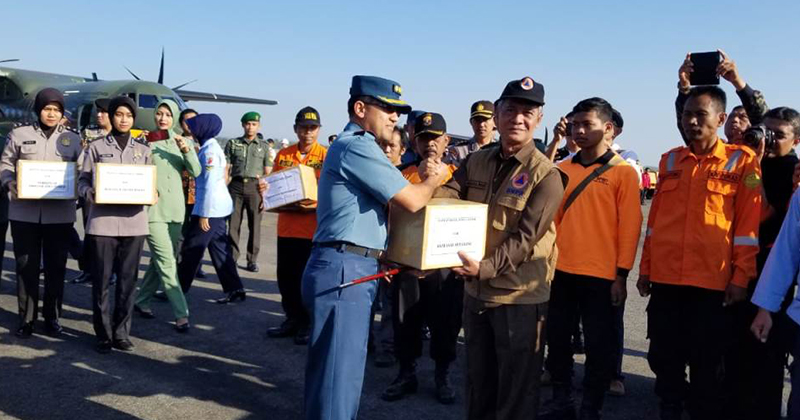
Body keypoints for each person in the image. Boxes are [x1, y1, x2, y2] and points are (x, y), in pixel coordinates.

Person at [301, 75, 448, 420]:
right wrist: (433, 179)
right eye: (387, 108)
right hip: (345, 269)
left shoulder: (353, 146)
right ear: (360, 108)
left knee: (331, 375)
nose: (395, 117)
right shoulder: (358, 146)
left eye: (398, 111)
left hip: (349, 265)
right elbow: (412, 199)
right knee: (339, 380)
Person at [434, 76, 568, 420]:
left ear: (539, 118)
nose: (518, 119)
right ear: (496, 114)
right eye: (510, 110)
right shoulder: (476, 161)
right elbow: (448, 196)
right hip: (476, 294)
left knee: (516, 393)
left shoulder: (546, 175)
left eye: (528, 112)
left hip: (518, 298)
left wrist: (485, 268)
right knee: (478, 385)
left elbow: (526, 238)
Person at [637, 85, 761, 420]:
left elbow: (748, 228)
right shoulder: (669, 160)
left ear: (720, 119)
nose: (691, 121)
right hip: (667, 278)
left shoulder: (743, 161)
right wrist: (646, 269)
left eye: (700, 115)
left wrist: (741, 277)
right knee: (663, 354)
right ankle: (670, 405)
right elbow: (655, 222)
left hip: (712, 282)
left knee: (706, 359)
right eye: (687, 114)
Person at [542, 98, 642, 419]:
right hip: (561, 272)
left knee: (599, 347)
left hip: (602, 277)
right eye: (575, 125)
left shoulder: (623, 173)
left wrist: (621, 275)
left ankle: (590, 407)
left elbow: (630, 228)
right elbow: (553, 221)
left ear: (608, 128)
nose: (580, 131)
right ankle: (561, 401)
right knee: (558, 341)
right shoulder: (562, 169)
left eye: (587, 124)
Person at [725, 107, 800, 420]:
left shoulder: (792, 171)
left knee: (766, 357)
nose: (769, 140)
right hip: (737, 270)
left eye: (778, 135)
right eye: (766, 132)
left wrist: (754, 167)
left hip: (772, 278)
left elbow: (764, 215)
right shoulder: (745, 160)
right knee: (732, 349)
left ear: (796, 140)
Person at [382, 112, 461, 405]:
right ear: (414, 142)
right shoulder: (400, 175)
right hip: (407, 266)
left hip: (445, 269)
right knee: (405, 322)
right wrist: (386, 258)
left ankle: (442, 375)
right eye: (424, 138)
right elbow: (387, 217)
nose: (430, 144)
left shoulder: (459, 176)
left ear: (446, 141)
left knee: (446, 324)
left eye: (435, 138)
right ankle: (406, 373)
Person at [0, 87, 83, 338]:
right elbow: (6, 163)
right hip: (24, 213)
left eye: (57, 110)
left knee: (56, 267)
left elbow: (82, 171)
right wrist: (9, 182)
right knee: (26, 266)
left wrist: (80, 187)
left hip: (59, 215)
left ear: (62, 113)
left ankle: (52, 317)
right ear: (39, 110)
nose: (51, 114)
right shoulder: (19, 134)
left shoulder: (73, 139)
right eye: (47, 109)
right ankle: (26, 318)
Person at [78, 96, 153, 354]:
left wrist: (153, 193)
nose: (124, 119)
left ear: (134, 119)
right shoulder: (96, 147)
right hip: (103, 223)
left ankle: (121, 333)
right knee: (100, 282)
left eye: (129, 115)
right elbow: (83, 179)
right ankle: (103, 334)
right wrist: (88, 192)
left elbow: (149, 182)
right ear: (111, 116)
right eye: (119, 114)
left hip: (134, 224)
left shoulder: (144, 150)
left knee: (128, 282)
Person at [132, 99, 200, 332]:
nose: (163, 118)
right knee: (167, 262)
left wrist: (186, 150)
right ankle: (182, 313)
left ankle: (142, 300)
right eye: (159, 113)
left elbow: (196, 171)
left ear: (175, 118)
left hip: (176, 211)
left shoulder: (183, 141)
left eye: (168, 115)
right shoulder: (145, 141)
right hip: (153, 211)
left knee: (159, 260)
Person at [266, 106, 327, 345]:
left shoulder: (325, 156)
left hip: (312, 231)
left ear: (319, 130)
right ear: (295, 129)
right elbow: (272, 185)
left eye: (312, 128)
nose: (307, 132)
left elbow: (330, 193)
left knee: (308, 280)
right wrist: (265, 191)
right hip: (287, 228)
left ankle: (307, 322)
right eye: (303, 127)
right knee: (286, 278)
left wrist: (312, 205)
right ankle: (291, 318)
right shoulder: (284, 155)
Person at [178, 114, 246, 304]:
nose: (190, 130)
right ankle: (235, 289)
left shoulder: (209, 152)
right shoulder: (208, 147)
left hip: (210, 209)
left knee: (191, 249)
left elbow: (209, 185)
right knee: (219, 250)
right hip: (217, 208)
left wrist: (204, 215)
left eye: (194, 127)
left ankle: (177, 291)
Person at [676, 50, 768, 145]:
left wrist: (736, 81)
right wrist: (684, 86)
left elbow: (765, 119)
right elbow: (688, 122)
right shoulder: (708, 150)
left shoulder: (761, 148)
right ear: (721, 119)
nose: (735, 120)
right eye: (731, 117)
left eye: (743, 117)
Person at [225, 111, 271, 272]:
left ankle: (252, 260)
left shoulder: (264, 146)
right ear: (243, 125)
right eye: (248, 124)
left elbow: (267, 172)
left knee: (255, 225)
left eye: (254, 124)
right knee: (233, 224)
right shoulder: (233, 143)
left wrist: (265, 197)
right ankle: (231, 258)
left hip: (255, 187)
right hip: (236, 186)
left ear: (259, 126)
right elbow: (226, 168)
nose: (250, 127)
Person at [444, 100, 496, 167]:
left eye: (485, 119)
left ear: (495, 121)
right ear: (471, 122)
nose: (481, 124)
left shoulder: (501, 150)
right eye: (477, 120)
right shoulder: (458, 151)